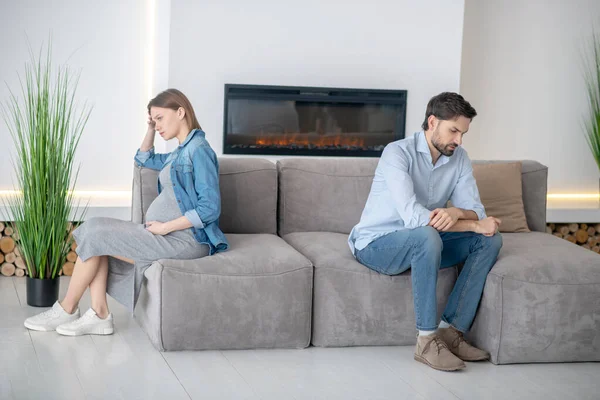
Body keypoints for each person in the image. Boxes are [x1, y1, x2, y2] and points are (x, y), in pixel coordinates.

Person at [24, 88, 228, 336]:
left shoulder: (199, 150)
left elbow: (210, 208)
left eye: (160, 118)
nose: (158, 125)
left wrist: (165, 227)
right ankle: (99, 313)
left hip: (187, 240)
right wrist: (151, 128)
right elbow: (143, 158)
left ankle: (68, 308)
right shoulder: (179, 152)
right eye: (154, 120)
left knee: (98, 235)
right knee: (94, 226)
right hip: (163, 235)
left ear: (181, 112)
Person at [348, 92, 502, 371]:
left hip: (425, 243)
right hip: (376, 244)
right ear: (432, 122)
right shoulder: (396, 153)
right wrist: (473, 223)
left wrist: (458, 214)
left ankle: (451, 332)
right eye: (453, 131)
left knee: (488, 240)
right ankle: (426, 341)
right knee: (428, 235)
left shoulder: (460, 158)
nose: (459, 140)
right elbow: (415, 217)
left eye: (463, 133)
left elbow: (475, 210)